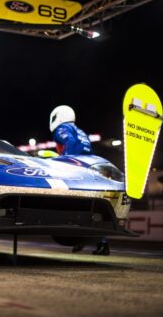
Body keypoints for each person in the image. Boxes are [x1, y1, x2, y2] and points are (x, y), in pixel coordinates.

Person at [49, 105, 109, 255]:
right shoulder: (80, 131)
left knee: (72, 206)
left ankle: (80, 239)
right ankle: (97, 242)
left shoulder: (62, 128)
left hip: (74, 169)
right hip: (88, 168)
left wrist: (65, 160)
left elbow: (68, 140)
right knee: (89, 207)